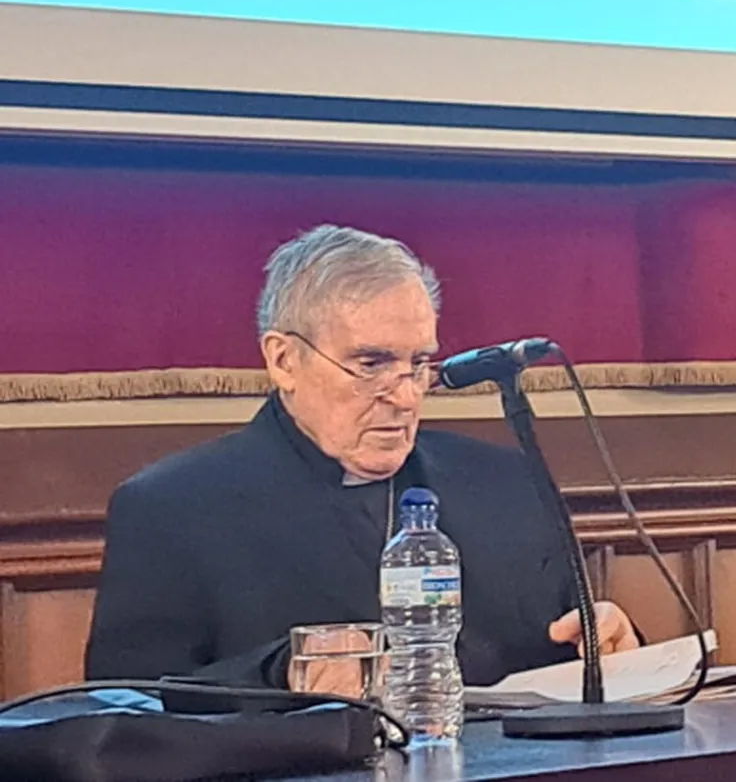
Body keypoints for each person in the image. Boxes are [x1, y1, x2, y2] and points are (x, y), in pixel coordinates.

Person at [85, 225, 640, 690]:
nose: (405, 396)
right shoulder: (173, 508)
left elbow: (557, 654)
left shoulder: (505, 484)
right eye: (371, 364)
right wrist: (282, 674)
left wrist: (607, 649)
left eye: (418, 364)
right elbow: (124, 712)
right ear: (283, 361)